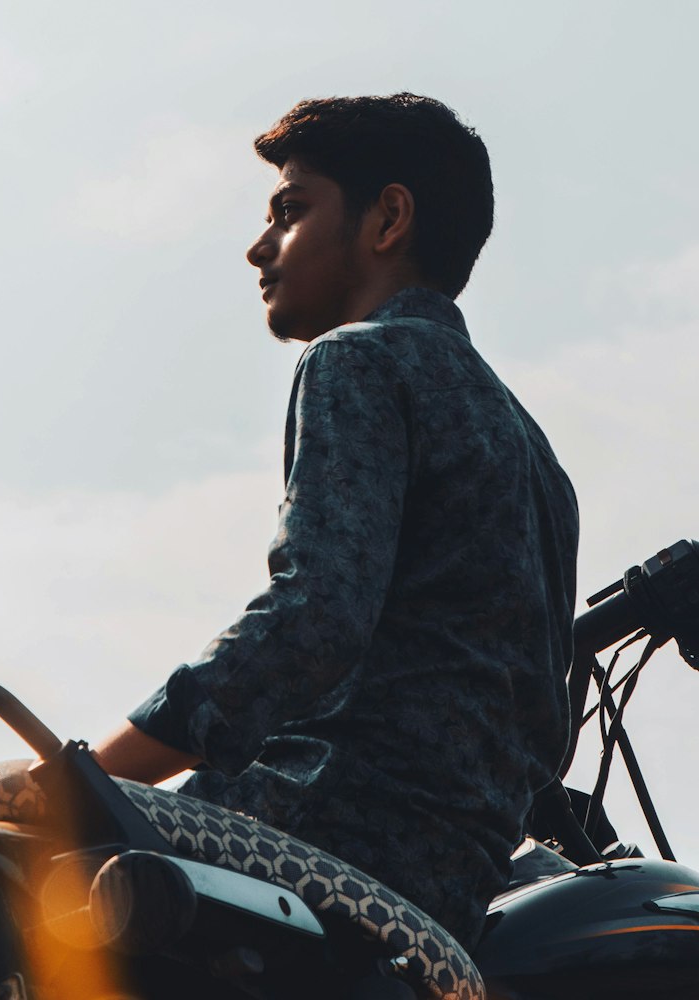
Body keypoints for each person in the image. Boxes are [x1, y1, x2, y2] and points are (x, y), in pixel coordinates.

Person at [93, 93, 579, 952]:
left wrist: (87, 776)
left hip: (323, 827)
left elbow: (314, 619)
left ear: (388, 217)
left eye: (290, 209)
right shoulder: (537, 455)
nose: (258, 245)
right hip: (455, 883)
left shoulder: (358, 360)